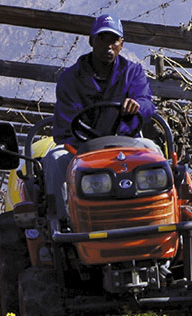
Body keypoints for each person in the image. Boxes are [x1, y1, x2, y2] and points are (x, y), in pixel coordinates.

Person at [44, 14, 156, 220]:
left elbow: (147, 103)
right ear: (91, 41)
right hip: (82, 149)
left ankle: (156, 216)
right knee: (55, 159)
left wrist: (138, 106)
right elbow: (66, 126)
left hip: (126, 145)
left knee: (153, 150)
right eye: (102, 39)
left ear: (121, 44)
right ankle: (62, 222)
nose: (108, 46)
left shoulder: (133, 72)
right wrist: (85, 146)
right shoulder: (70, 78)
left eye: (113, 40)